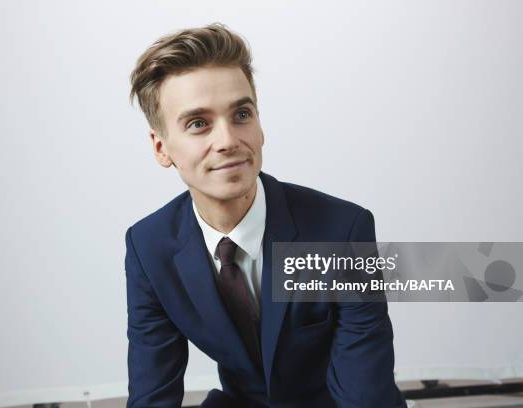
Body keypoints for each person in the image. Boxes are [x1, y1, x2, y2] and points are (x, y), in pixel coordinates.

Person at [126, 23, 405, 408]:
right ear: (161, 148)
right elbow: (152, 392)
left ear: (259, 126)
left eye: (241, 114)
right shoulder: (148, 246)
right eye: (198, 124)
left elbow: (364, 394)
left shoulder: (342, 230)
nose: (227, 141)